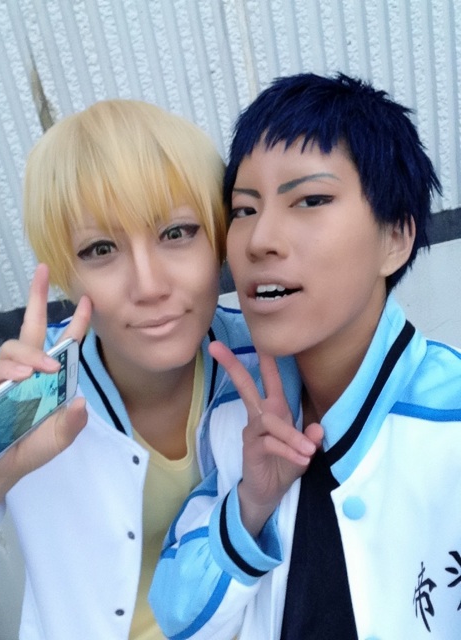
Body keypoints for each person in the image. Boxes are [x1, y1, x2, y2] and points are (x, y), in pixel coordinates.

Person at [150, 72, 461, 639]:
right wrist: (251, 504)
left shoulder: (451, 423)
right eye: (243, 210)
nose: (259, 239)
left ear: (395, 238)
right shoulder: (237, 417)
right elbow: (178, 616)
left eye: (311, 200)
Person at [0, 99, 264, 640]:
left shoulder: (268, 359)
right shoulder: (18, 388)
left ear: (219, 238)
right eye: (101, 248)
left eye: (177, 233)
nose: (149, 285)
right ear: (66, 274)